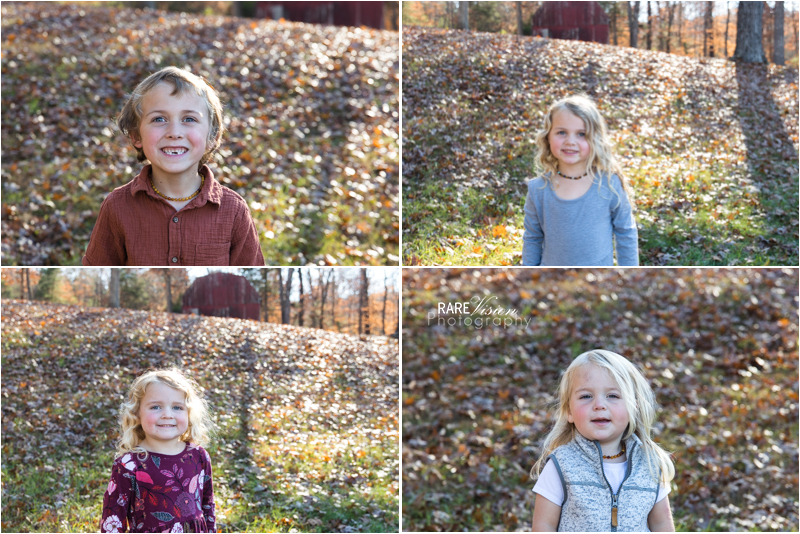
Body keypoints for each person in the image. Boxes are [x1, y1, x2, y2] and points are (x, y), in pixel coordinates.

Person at [82, 66, 265, 266]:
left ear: (211, 137)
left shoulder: (234, 211)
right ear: (136, 135)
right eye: (159, 119)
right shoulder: (117, 207)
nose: (174, 132)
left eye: (189, 119)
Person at [530, 350, 674, 532]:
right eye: (586, 396)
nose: (599, 404)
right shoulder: (562, 465)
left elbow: (662, 524)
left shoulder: (650, 464)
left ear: (633, 407)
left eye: (612, 396)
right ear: (569, 411)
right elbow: (544, 526)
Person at [522, 94, 638, 266]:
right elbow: (532, 238)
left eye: (581, 134)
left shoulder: (609, 185)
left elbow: (626, 233)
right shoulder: (538, 189)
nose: (570, 141)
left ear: (595, 138)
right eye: (561, 132)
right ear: (548, 136)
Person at [100, 369, 216, 533]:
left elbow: (208, 505)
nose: (167, 415)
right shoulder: (129, 465)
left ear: (189, 413)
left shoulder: (198, 456)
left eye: (177, 407)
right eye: (156, 407)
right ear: (137, 414)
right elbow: (113, 520)